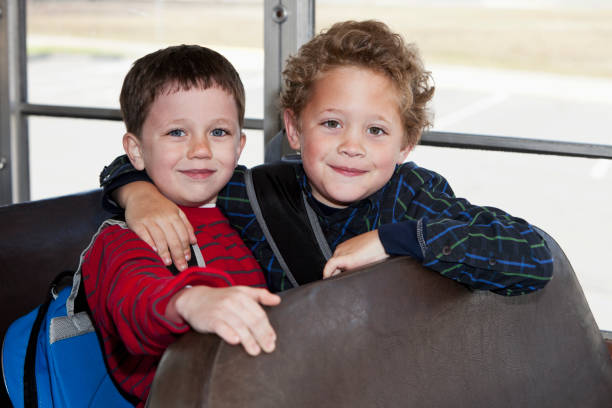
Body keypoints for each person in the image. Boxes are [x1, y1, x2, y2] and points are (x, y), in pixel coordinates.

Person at [100, 20, 553, 297]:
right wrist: (137, 192)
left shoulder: (412, 196)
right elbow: (180, 165)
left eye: (376, 131)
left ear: (405, 144)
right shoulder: (255, 194)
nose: (351, 146)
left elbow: (531, 255)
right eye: (331, 124)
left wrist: (393, 240)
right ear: (295, 130)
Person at [81, 45, 281, 406]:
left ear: (240, 145)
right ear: (137, 150)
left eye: (218, 132)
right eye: (177, 133)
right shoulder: (123, 237)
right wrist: (190, 301)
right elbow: (135, 306)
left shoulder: (253, 209)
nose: (200, 149)